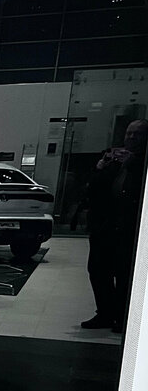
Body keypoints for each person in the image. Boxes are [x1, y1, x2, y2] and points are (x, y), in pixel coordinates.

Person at [82, 119, 146, 333]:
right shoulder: (114, 161)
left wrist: (132, 163)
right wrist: (100, 167)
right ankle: (105, 313)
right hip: (104, 226)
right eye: (129, 133)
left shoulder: (140, 164)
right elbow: (93, 189)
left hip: (129, 228)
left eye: (137, 134)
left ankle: (122, 316)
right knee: (98, 270)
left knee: (124, 273)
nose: (131, 137)